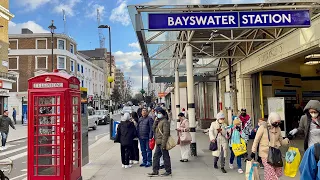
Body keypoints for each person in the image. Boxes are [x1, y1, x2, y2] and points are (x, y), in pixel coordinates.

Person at [251, 112, 290, 180]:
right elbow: (256, 140)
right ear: (271, 120)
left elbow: (281, 141)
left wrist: (287, 140)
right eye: (275, 122)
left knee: (277, 172)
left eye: (278, 122)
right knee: (271, 172)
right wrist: (253, 151)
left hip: (275, 154)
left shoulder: (278, 129)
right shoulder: (263, 128)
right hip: (265, 154)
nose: (277, 124)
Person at [148, 109, 172, 177]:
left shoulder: (165, 122)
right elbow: (153, 129)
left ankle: (168, 170)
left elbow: (166, 133)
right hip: (158, 142)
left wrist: (164, 144)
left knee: (165, 157)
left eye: (159, 113)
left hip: (162, 142)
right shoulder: (159, 121)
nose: (158, 114)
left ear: (163, 114)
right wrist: (155, 121)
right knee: (156, 157)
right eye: (157, 113)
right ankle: (155, 171)